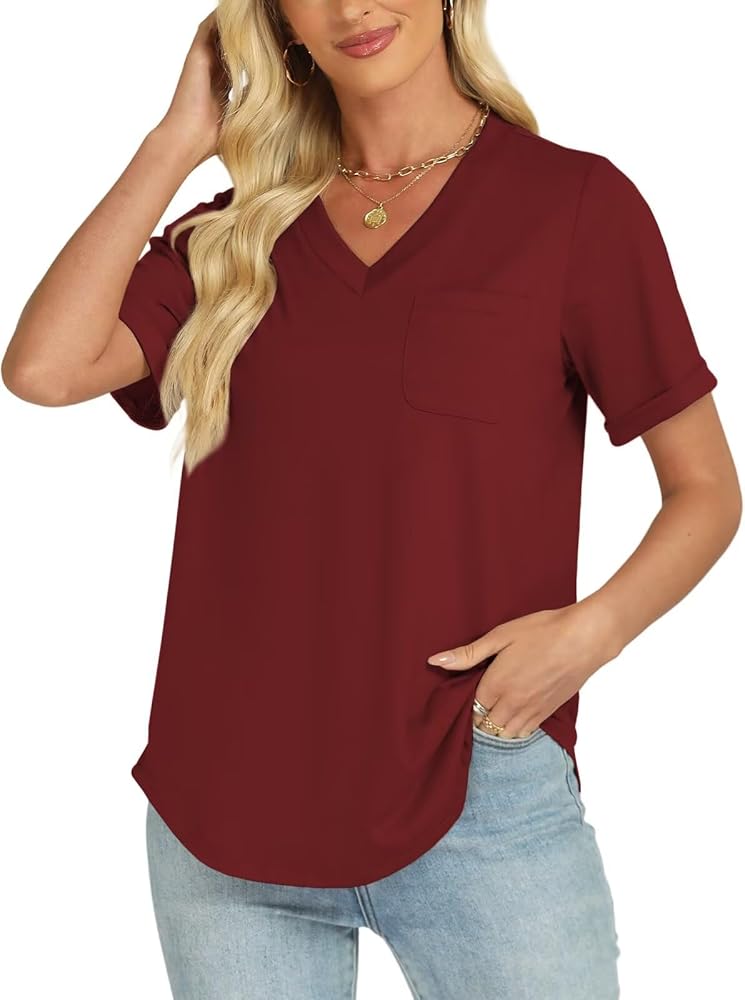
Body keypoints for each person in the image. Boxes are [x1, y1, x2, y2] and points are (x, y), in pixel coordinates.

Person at [3, 2, 740, 998]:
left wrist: (590, 633)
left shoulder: (573, 206)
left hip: (478, 788)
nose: (352, 4)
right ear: (278, 24)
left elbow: (703, 488)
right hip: (228, 812)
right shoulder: (234, 233)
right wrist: (176, 141)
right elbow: (45, 369)